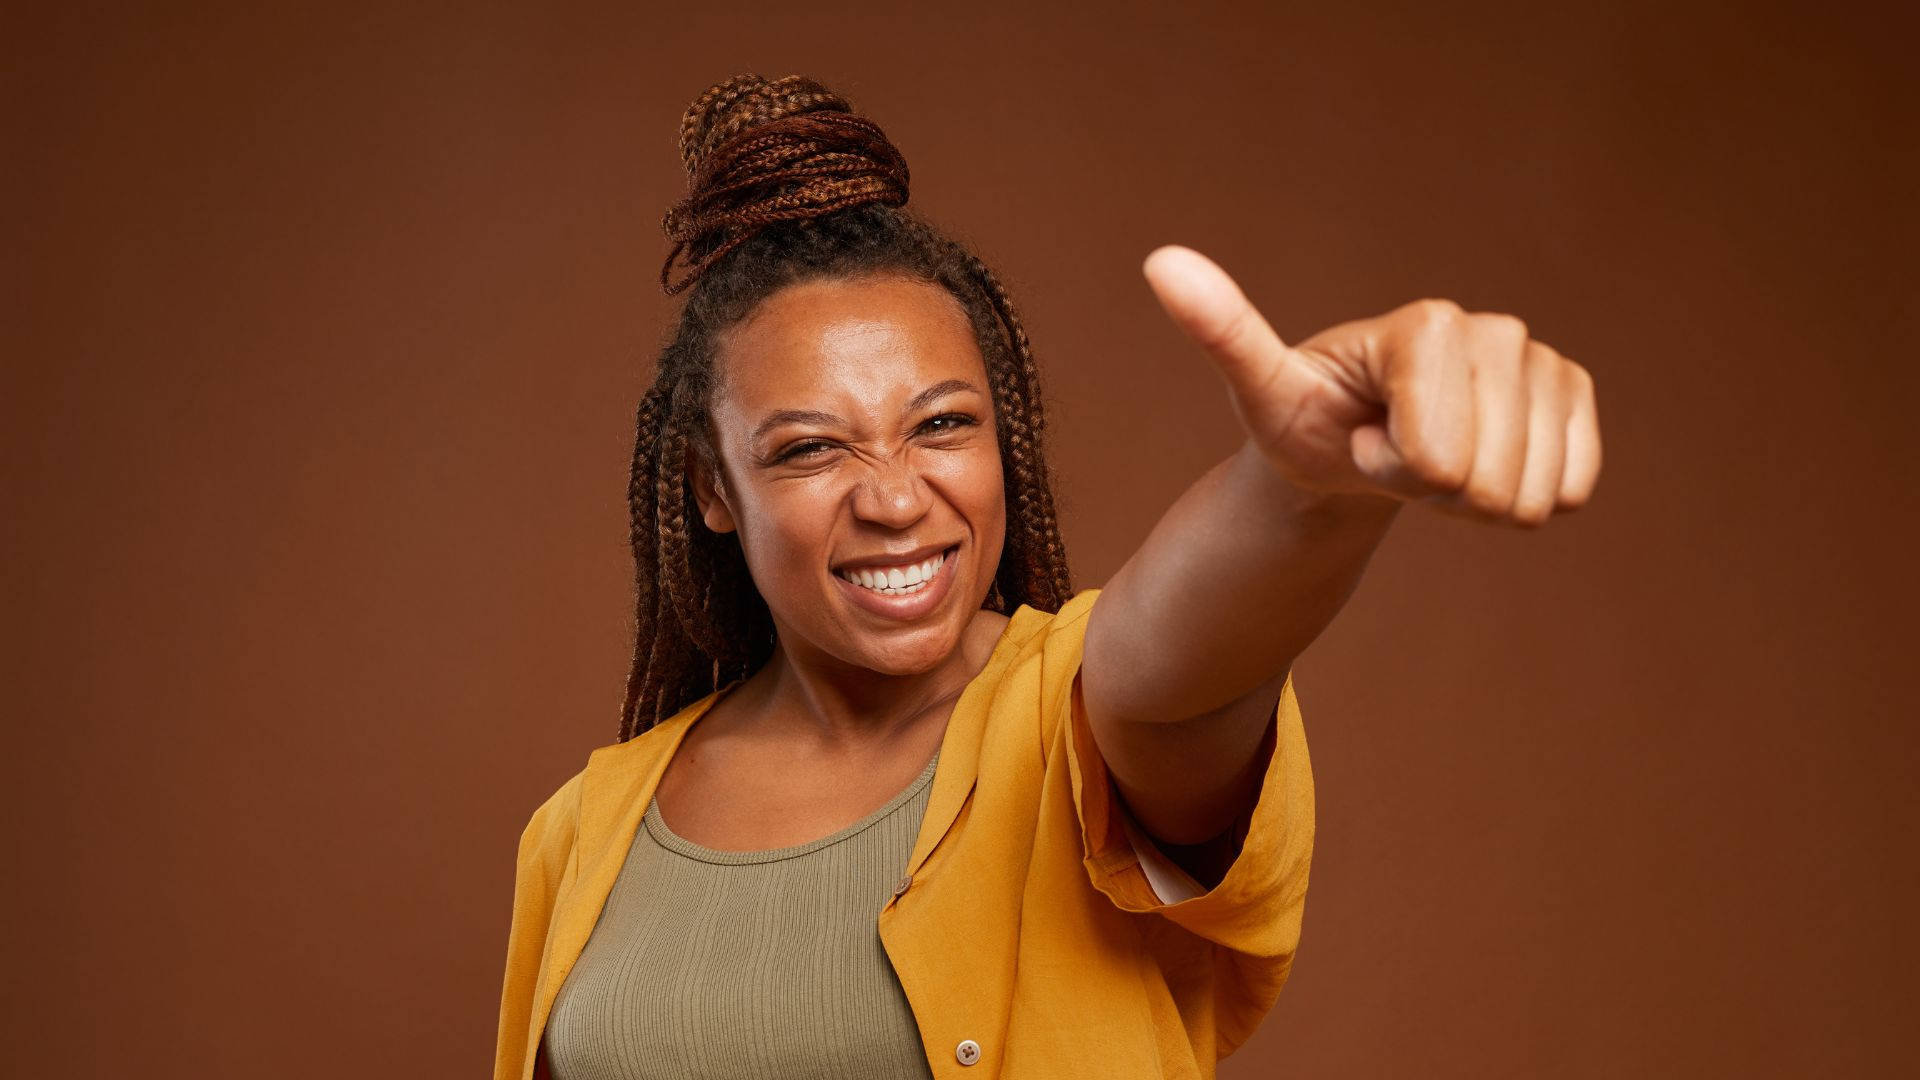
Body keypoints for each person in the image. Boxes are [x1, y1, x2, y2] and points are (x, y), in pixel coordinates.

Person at [493, 74, 1600, 1080]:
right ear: (712, 490)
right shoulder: (584, 830)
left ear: (1001, 435)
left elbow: (1182, 666)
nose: (892, 496)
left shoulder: (1073, 718)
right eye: (808, 448)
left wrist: (1304, 489)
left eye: (941, 425)